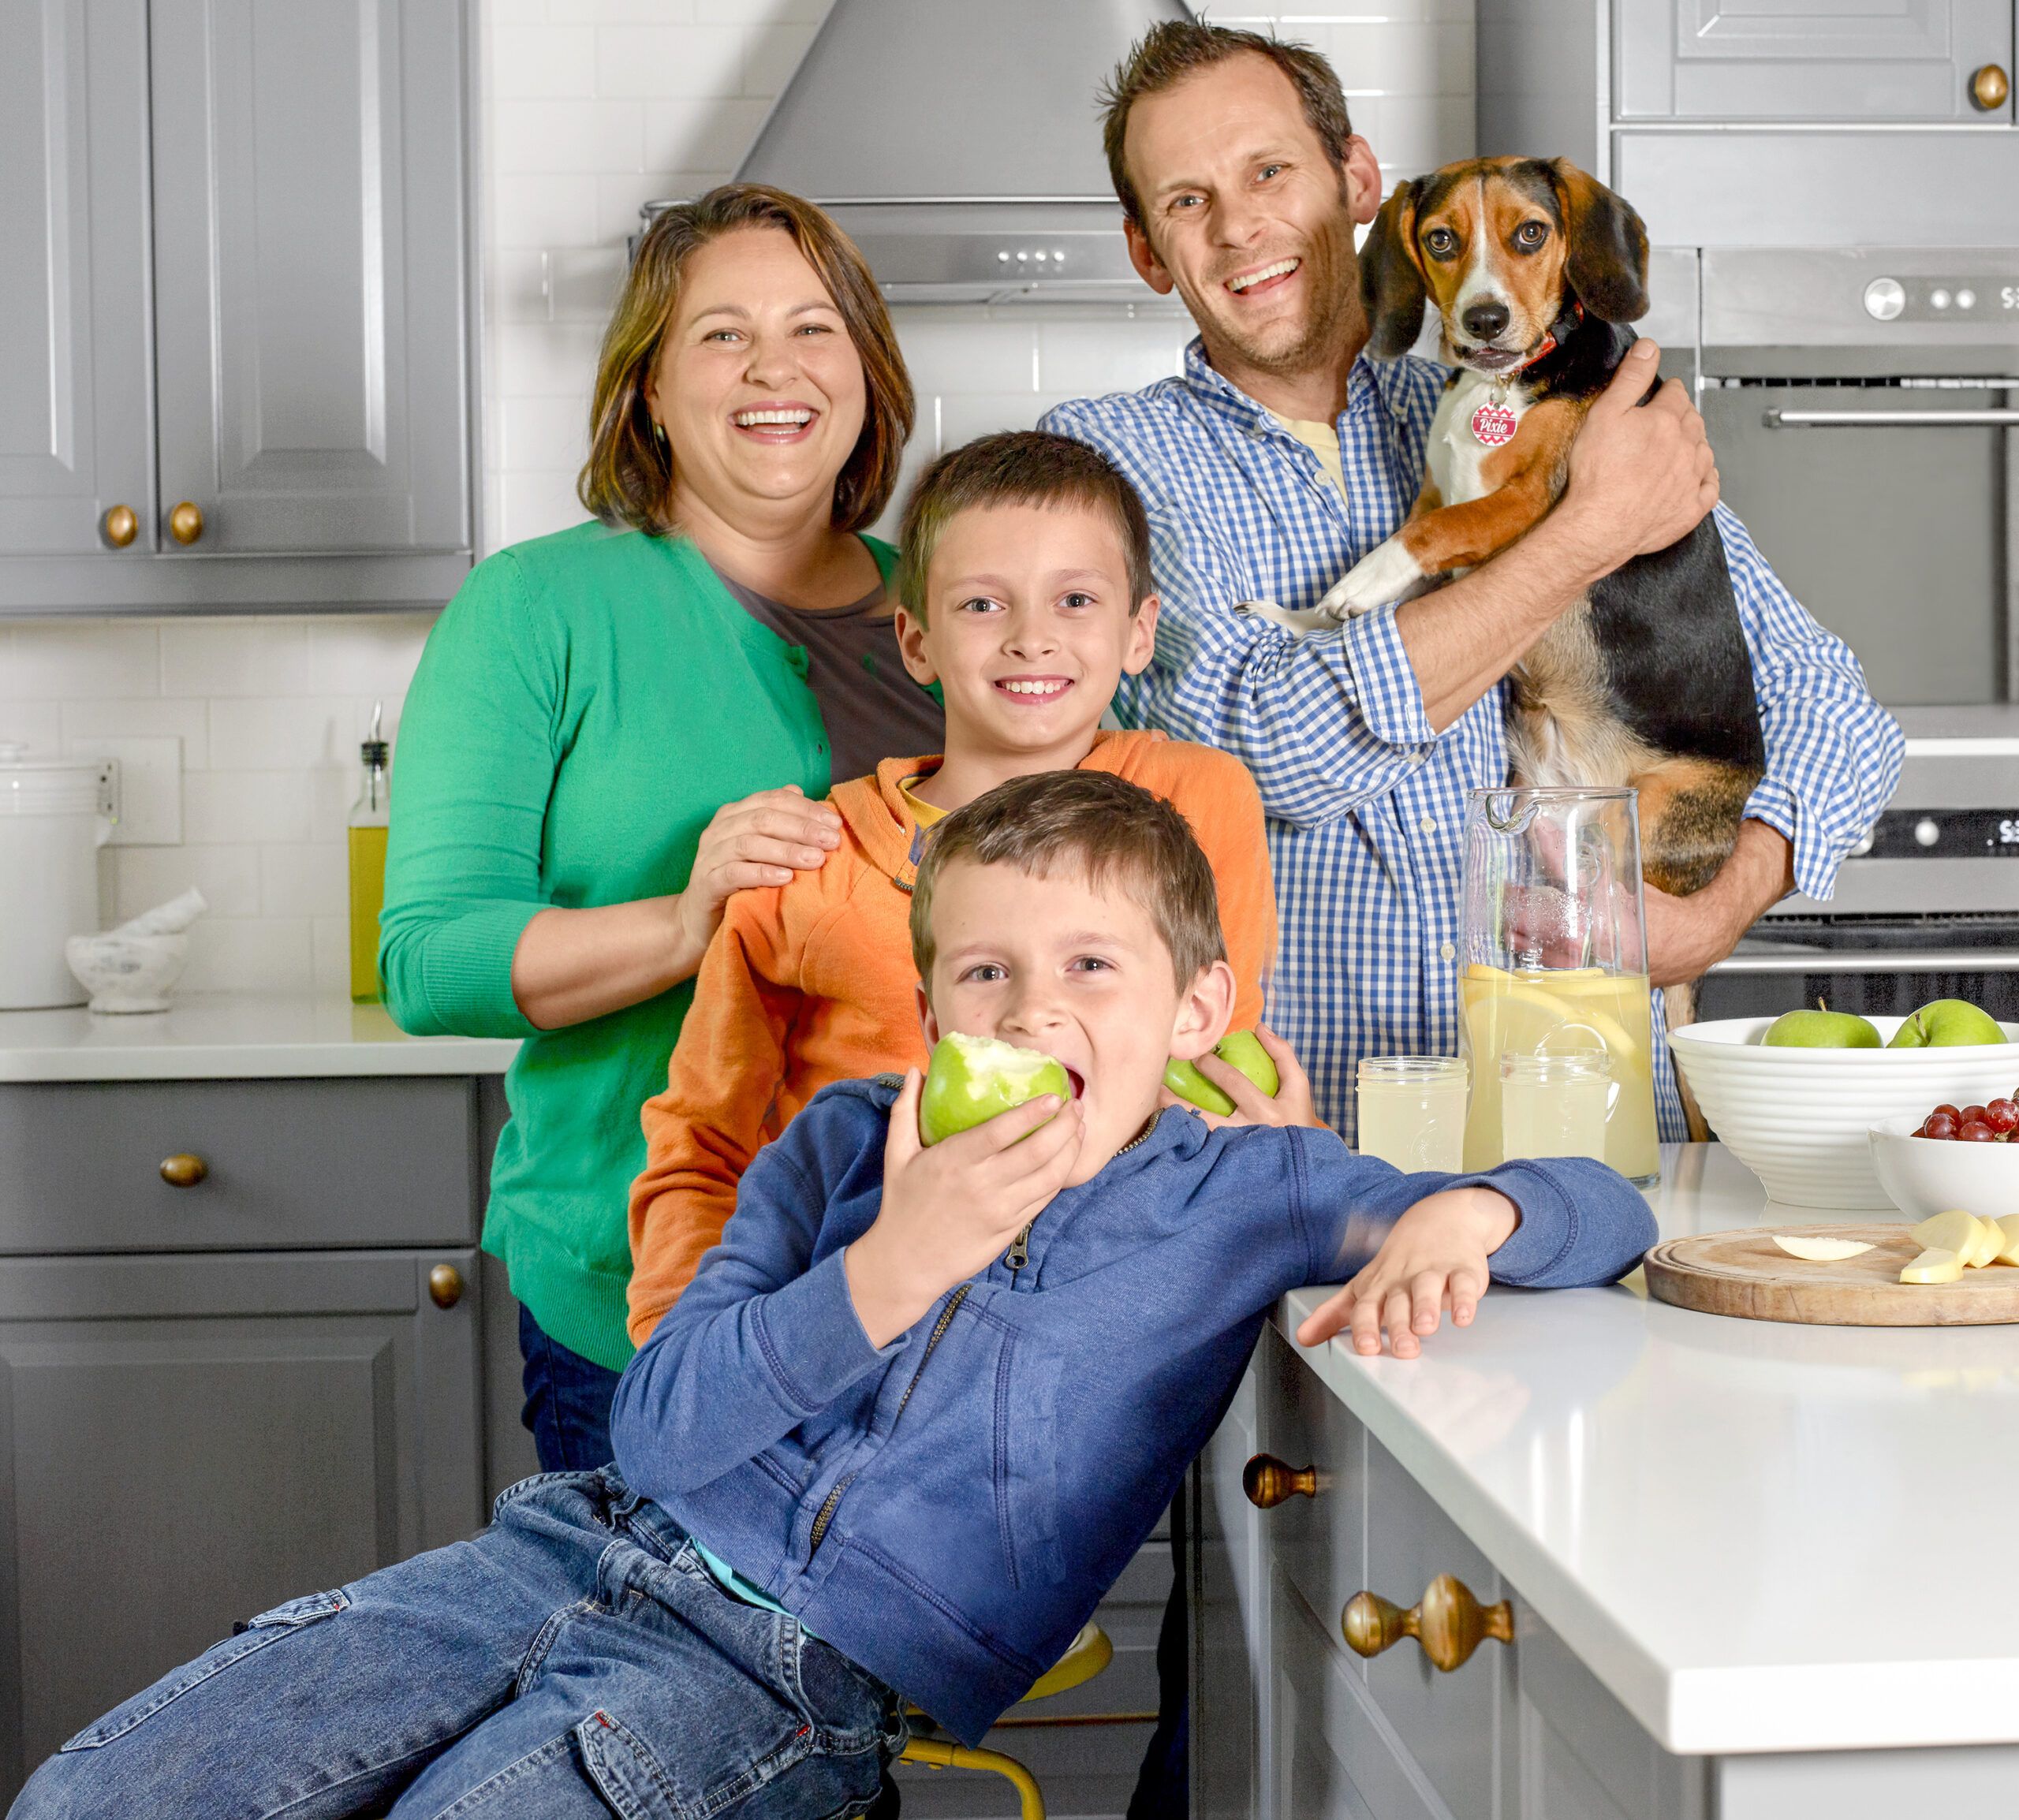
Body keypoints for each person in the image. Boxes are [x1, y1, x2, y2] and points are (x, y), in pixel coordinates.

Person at [13, 769, 1657, 1820]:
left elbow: (1610, 1207)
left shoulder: (1242, 1190)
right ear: (931, 1002)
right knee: (97, 1792)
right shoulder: (845, 1143)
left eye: (1093, 967)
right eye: (986, 972)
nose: (1035, 1005)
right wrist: (895, 1256)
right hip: (572, 1546)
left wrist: (1471, 1201)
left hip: (784, 1677)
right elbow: (658, 1427)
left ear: (1193, 1007)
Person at [1040, 21, 1904, 1141]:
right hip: (1302, 1149)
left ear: (1358, 180)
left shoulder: (1542, 402)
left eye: (1269, 171)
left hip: (1585, 1129)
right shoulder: (1104, 461)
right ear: (1148, 250)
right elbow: (1260, 749)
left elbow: (1833, 705)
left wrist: (1718, 907)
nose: (1242, 225)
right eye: (1188, 202)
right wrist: (1584, 531)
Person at [379, 184, 942, 1472]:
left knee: (897, 1677)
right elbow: (432, 958)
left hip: (928, 1305)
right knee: (658, 1671)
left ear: (865, 368)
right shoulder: (536, 610)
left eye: (814, 329)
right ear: (647, 387)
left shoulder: (968, 611)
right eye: (721, 334)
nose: (775, 370)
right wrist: (688, 923)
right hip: (643, 1307)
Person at [625, 429, 1288, 1338]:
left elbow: (1209, 1064)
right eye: (982, 604)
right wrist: (681, 1346)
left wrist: (1292, 1162)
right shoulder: (810, 864)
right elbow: (702, 1144)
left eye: (1076, 600)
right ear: (916, 639)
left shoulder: (1193, 799)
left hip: (1104, 1347)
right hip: (845, 1337)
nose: (1031, 639)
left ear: (1139, 633)